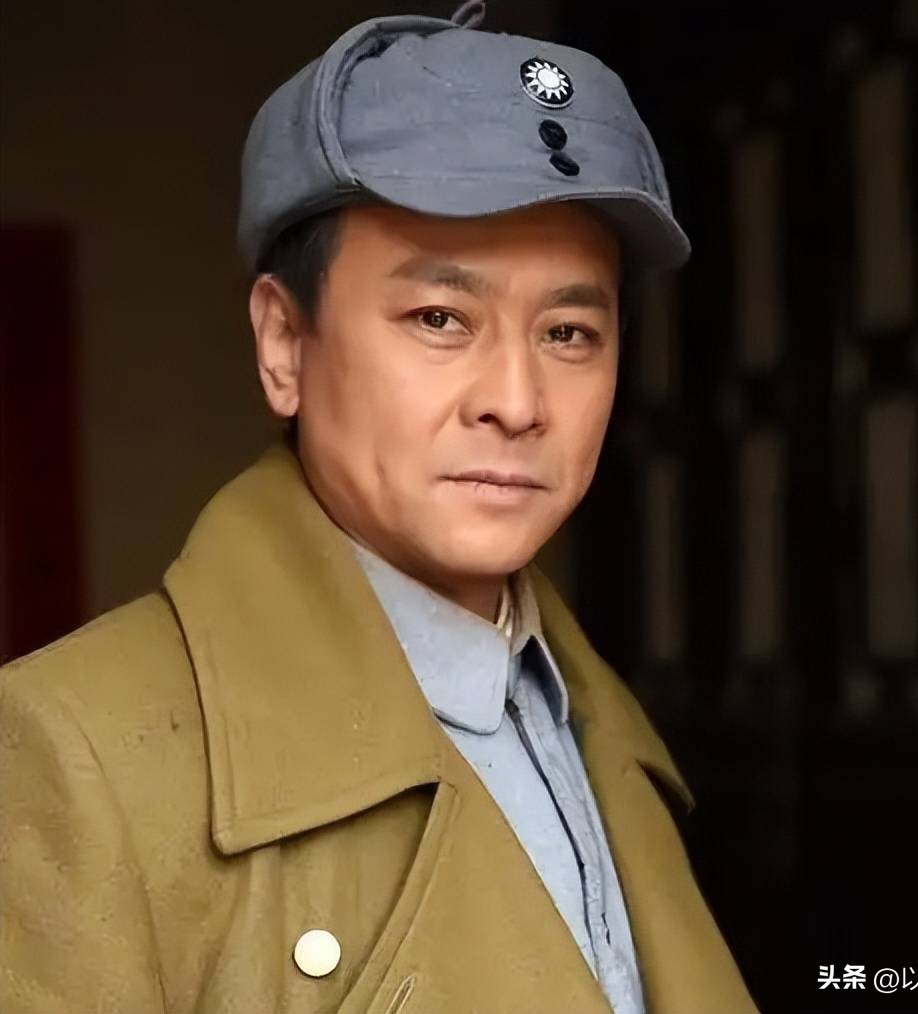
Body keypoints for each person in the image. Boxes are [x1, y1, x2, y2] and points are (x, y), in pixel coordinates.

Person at [0, 4, 758, 1012]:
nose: (517, 402)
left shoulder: (595, 722)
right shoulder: (74, 751)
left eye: (569, 333)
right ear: (283, 345)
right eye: (439, 318)